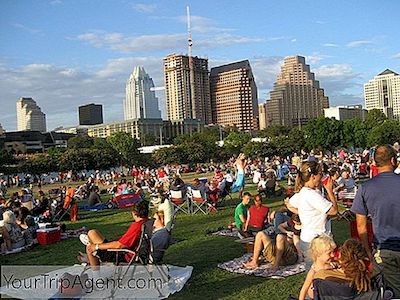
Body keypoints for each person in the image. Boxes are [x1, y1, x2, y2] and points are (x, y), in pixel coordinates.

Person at [351, 144, 400, 297]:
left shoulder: (365, 188)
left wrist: (368, 251)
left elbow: (361, 226)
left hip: (384, 248)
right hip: (386, 247)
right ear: (393, 160)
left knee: (393, 292)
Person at [287, 161, 338, 269]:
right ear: (313, 176)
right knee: (319, 274)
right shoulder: (312, 195)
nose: (322, 176)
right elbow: (334, 211)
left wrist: (304, 212)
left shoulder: (303, 192)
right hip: (317, 240)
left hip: (308, 237)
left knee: (312, 272)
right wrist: (330, 191)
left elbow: (289, 204)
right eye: (320, 174)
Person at [79, 200, 149, 267]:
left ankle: (92, 264)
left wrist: (97, 246)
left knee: (91, 240)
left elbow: (119, 245)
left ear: (134, 213)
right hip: (129, 252)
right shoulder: (148, 223)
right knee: (91, 238)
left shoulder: (137, 226)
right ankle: (89, 252)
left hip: (121, 255)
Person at [298, 234, 337, 300]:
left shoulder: (332, 265)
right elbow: (304, 288)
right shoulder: (314, 270)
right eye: (329, 253)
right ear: (318, 253)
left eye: (333, 252)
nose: (333, 255)